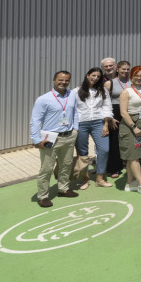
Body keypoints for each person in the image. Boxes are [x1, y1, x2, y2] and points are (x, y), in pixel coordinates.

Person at [30, 71, 79, 207]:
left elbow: (74, 112)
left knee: (66, 165)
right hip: (50, 138)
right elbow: (35, 121)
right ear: (53, 80)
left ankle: (63, 189)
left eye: (66, 80)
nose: (63, 82)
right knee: (46, 168)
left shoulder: (72, 95)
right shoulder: (43, 99)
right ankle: (43, 196)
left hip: (69, 136)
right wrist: (36, 140)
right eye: (60, 80)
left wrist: (75, 129)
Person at [73, 67, 113, 189]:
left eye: (98, 77)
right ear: (87, 75)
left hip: (98, 123)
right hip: (81, 124)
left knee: (104, 149)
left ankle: (100, 178)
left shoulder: (103, 91)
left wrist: (106, 124)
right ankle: (85, 178)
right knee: (82, 153)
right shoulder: (76, 91)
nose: (95, 78)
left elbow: (107, 107)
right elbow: (72, 109)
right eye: (93, 75)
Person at [118, 66, 141, 195]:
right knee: (134, 157)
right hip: (129, 125)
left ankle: (130, 183)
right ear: (131, 77)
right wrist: (134, 127)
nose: (139, 78)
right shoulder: (126, 91)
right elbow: (123, 112)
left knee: (135, 155)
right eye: (136, 75)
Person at [105, 60, 131, 178]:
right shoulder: (110, 83)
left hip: (130, 112)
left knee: (129, 139)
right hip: (115, 112)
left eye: (127, 69)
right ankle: (114, 167)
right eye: (123, 69)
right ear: (117, 69)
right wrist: (110, 117)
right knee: (114, 141)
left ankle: (128, 163)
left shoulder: (132, 82)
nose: (125, 71)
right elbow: (105, 102)